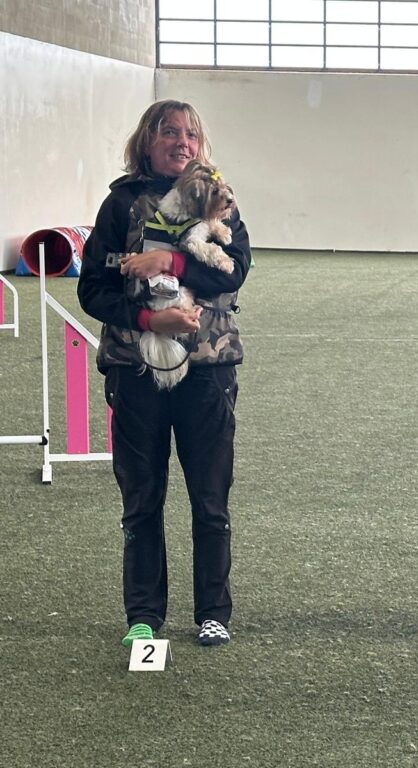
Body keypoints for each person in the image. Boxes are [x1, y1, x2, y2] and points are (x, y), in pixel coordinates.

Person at [78, 100, 251, 648]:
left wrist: (171, 263)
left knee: (210, 498)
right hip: (136, 369)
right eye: (169, 132)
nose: (182, 142)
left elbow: (236, 271)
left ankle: (213, 612)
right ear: (146, 141)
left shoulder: (220, 198)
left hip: (209, 368)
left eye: (191, 134)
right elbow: (93, 289)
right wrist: (150, 320)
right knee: (141, 500)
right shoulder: (120, 203)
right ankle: (144, 615)